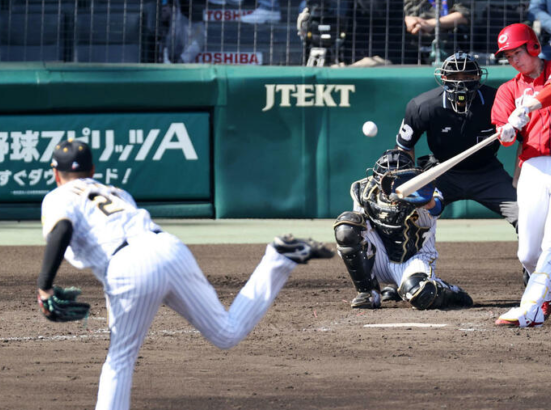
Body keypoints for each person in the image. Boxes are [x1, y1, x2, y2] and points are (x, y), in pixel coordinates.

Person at [36, 139, 334, 410]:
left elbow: (62, 229)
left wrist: (44, 288)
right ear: (92, 169)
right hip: (169, 246)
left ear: (55, 173)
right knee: (226, 332)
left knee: (120, 359)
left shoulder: (58, 196)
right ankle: (278, 259)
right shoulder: (118, 192)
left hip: (129, 265)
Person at [491, 23, 551, 328]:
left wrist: (531, 104)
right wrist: (507, 131)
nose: (514, 60)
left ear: (533, 47)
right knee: (527, 252)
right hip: (532, 165)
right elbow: (505, 135)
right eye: (508, 56)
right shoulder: (508, 89)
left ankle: (531, 309)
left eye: (517, 52)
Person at [333, 148, 473, 310]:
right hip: (379, 256)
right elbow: (359, 230)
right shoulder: (363, 190)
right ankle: (368, 293)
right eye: (388, 175)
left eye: (398, 175)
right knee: (346, 227)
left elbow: (437, 208)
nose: (393, 181)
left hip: (412, 258)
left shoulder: (424, 189)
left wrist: (425, 201)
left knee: (422, 295)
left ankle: (449, 291)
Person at [395, 51, 519, 231]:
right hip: (441, 171)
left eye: (468, 75)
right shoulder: (423, 105)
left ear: (478, 77)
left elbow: (526, 141)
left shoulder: (497, 101)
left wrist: (517, 180)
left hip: (487, 173)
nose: (461, 81)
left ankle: (536, 258)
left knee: (527, 216)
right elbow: (404, 147)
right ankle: (410, 257)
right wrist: (411, 183)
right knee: (408, 216)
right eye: (454, 76)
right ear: (443, 77)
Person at [403, 0, 470, 63]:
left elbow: (465, 14)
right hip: (410, 46)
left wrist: (431, 24)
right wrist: (406, 19)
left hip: (449, 46)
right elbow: (395, 12)